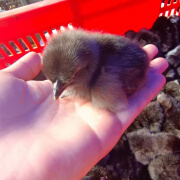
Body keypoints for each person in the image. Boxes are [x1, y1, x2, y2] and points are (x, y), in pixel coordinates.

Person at [0, 45, 168, 180]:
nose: (56, 90)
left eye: (71, 77)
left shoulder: (103, 79)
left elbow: (117, 103)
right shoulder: (81, 66)